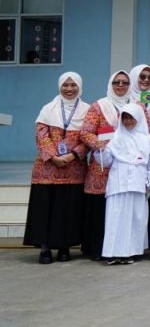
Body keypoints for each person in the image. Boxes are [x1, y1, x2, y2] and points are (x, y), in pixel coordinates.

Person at [24, 72, 88, 264]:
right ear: (59, 86)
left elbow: (89, 137)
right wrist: (54, 157)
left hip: (73, 169)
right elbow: (41, 135)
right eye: (65, 85)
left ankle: (64, 247)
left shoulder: (87, 110)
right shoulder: (48, 109)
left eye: (73, 85)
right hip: (47, 169)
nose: (69, 89)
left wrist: (71, 155)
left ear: (79, 87)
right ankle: (44, 248)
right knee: (46, 208)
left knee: (67, 208)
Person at [79, 70, 133, 261]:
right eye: (117, 82)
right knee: (100, 209)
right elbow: (86, 132)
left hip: (127, 164)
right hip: (102, 165)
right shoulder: (99, 106)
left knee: (122, 209)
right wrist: (102, 145)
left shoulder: (136, 105)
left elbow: (147, 129)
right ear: (110, 84)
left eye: (125, 82)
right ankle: (97, 248)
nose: (120, 85)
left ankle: (121, 248)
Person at [100, 104, 150, 265]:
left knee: (135, 218)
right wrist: (101, 149)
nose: (128, 121)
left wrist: (149, 181)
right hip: (119, 182)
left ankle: (131, 252)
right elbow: (106, 162)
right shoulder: (114, 138)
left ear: (139, 118)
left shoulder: (146, 139)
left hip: (138, 182)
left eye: (132, 118)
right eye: (125, 118)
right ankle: (113, 253)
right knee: (116, 217)